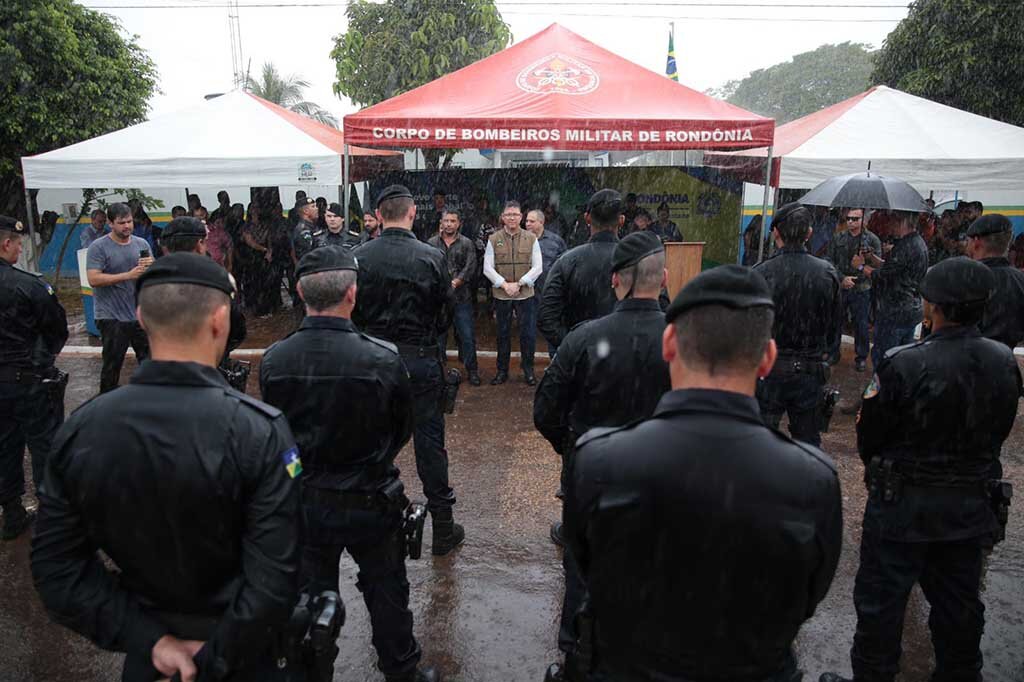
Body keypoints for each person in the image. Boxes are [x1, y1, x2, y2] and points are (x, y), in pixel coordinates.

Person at [560, 264, 842, 682]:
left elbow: (586, 568)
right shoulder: (813, 479)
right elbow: (807, 598)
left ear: (669, 343)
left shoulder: (601, 461)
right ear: (767, 358)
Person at [31, 253, 304, 682]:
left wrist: (150, 640)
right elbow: (280, 572)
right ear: (220, 319)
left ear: (140, 317)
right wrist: (214, 656)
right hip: (244, 656)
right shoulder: (260, 432)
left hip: (152, 657)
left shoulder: (83, 430)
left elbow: (58, 571)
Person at [819, 257, 1019, 682]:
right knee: (959, 610)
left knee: (881, 608)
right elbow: (998, 429)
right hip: (969, 508)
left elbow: (870, 436)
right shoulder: (1003, 361)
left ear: (932, 306)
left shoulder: (903, 362)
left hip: (904, 508)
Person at [261, 247, 439, 682]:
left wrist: (298, 476)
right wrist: (370, 462)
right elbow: (401, 428)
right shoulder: (381, 357)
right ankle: (401, 670)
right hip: (369, 497)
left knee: (310, 596)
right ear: (353, 294)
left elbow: (280, 438)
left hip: (308, 499)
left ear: (300, 292)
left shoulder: (275, 359)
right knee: (386, 590)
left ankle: (311, 668)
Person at [534, 231, 672, 663]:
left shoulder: (583, 338)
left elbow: (546, 410)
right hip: (658, 473)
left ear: (616, 280)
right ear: (664, 278)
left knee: (582, 562)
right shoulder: (684, 340)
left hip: (592, 470)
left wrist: (573, 448)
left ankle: (578, 646)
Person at [353, 185, 463, 555]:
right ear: (413, 213)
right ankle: (442, 529)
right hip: (417, 359)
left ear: (380, 216)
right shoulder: (431, 257)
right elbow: (445, 311)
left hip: (375, 359)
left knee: (374, 440)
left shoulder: (359, 256)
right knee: (429, 444)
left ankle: (372, 518)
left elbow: (352, 311)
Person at [0, 216, 68, 540]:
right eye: (17, 243)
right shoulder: (29, 285)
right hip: (28, 380)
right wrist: (41, 362)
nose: (19, 248)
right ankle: (51, 517)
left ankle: (12, 513)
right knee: (44, 444)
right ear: (6, 244)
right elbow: (56, 330)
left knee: (4, 445)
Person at [754, 202, 842, 447]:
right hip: (809, 371)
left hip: (771, 371)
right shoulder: (826, 273)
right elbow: (835, 328)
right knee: (807, 444)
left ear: (776, 234)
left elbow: (751, 329)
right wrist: (826, 357)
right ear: (809, 234)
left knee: (760, 442)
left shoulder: (761, 273)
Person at [538, 189, 622, 352]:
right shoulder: (638, 261)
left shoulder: (567, 261)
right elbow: (658, 313)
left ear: (587, 218)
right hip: (624, 362)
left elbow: (546, 318)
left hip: (579, 365)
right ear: (621, 220)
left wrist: (574, 346)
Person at [86, 202, 153, 394]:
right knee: (112, 365)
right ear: (110, 223)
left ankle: (151, 401)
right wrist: (127, 275)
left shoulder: (142, 244)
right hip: (111, 316)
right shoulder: (98, 247)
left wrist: (151, 268)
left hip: (138, 314)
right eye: (121, 222)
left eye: (129, 221)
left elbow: (149, 272)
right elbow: (93, 278)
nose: (127, 226)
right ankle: (106, 403)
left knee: (149, 362)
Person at [160, 217, 246, 359]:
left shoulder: (153, 280)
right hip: (208, 362)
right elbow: (236, 329)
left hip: (168, 363)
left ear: (165, 246)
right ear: (200, 244)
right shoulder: (218, 280)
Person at [853, 209, 929, 369]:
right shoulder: (917, 243)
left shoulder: (907, 246)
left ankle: (882, 391)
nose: (890, 225)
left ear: (903, 221)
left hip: (895, 311)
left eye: (893, 220)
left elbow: (882, 276)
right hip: (910, 310)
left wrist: (860, 266)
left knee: (884, 360)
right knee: (900, 359)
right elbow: (892, 268)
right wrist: (872, 258)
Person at [483, 200, 543, 385]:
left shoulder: (531, 238)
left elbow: (538, 266)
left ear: (521, 217)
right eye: (508, 215)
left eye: (515, 215)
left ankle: (528, 370)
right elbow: (487, 268)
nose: (512, 218)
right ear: (502, 217)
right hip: (502, 294)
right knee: (502, 334)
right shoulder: (493, 239)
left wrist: (520, 283)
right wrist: (504, 285)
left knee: (528, 334)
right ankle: (502, 371)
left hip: (525, 294)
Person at [428, 210, 480, 386]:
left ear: (459, 223)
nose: (449, 224)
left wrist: (456, 281)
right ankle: (438, 372)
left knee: (467, 336)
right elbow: (428, 266)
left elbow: (471, 266)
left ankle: (472, 371)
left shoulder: (466, 243)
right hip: (439, 299)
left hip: (461, 298)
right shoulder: (431, 243)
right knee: (438, 337)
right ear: (441, 223)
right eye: (446, 221)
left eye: (452, 221)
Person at [827, 207, 881, 371]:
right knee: (836, 321)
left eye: (855, 219)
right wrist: (842, 278)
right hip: (841, 285)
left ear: (863, 220)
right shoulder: (838, 238)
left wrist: (862, 266)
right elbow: (829, 261)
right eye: (849, 218)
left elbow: (877, 267)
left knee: (861, 324)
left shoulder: (872, 240)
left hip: (862, 287)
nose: (850, 221)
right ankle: (833, 352)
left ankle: (861, 356)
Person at [966, 214, 1024, 350]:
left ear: (976, 242)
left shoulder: (967, 277)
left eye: (967, 240)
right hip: (1005, 359)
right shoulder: (1019, 280)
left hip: (967, 360)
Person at [526, 209, 567, 355]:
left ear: (541, 222)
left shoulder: (556, 242)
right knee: (528, 332)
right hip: (527, 295)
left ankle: (555, 364)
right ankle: (528, 370)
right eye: (526, 221)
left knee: (552, 330)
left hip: (549, 294)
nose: (528, 224)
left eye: (532, 221)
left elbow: (564, 268)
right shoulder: (520, 241)